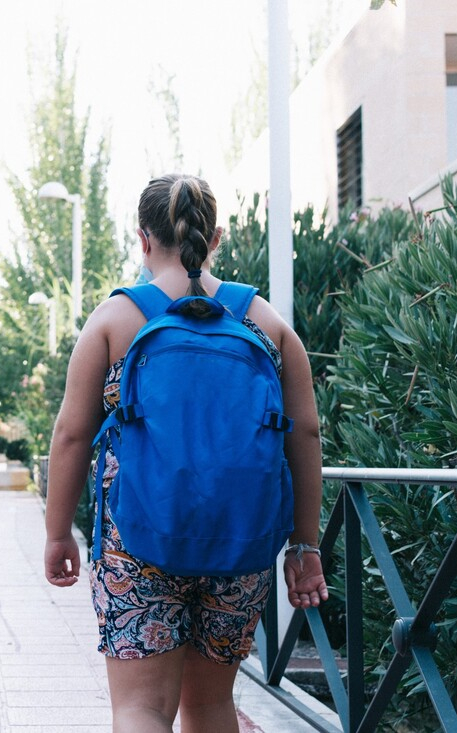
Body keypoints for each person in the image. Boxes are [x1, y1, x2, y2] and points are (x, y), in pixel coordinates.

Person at [43, 173, 327, 733]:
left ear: (143, 238)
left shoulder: (116, 319)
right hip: (240, 544)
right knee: (213, 706)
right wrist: (305, 544)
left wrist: (57, 534)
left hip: (136, 541)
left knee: (141, 709)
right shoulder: (266, 322)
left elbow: (71, 436)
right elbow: (307, 436)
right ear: (215, 236)